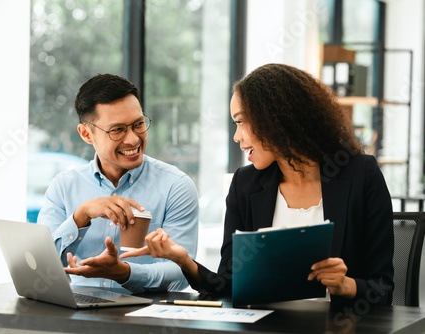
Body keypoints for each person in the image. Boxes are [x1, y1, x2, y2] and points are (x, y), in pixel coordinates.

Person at [121, 63, 394, 307]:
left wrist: (346, 285)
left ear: (277, 117)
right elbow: (227, 285)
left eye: (241, 122)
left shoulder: (361, 175)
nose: (237, 137)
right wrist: (182, 260)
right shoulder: (245, 184)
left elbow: (382, 289)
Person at [37, 73, 199, 293]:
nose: (133, 139)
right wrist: (81, 215)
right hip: (79, 318)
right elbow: (41, 268)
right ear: (86, 134)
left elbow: (182, 273)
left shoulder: (176, 186)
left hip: (146, 320)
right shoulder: (63, 186)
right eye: (118, 130)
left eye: (139, 124)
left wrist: (125, 272)